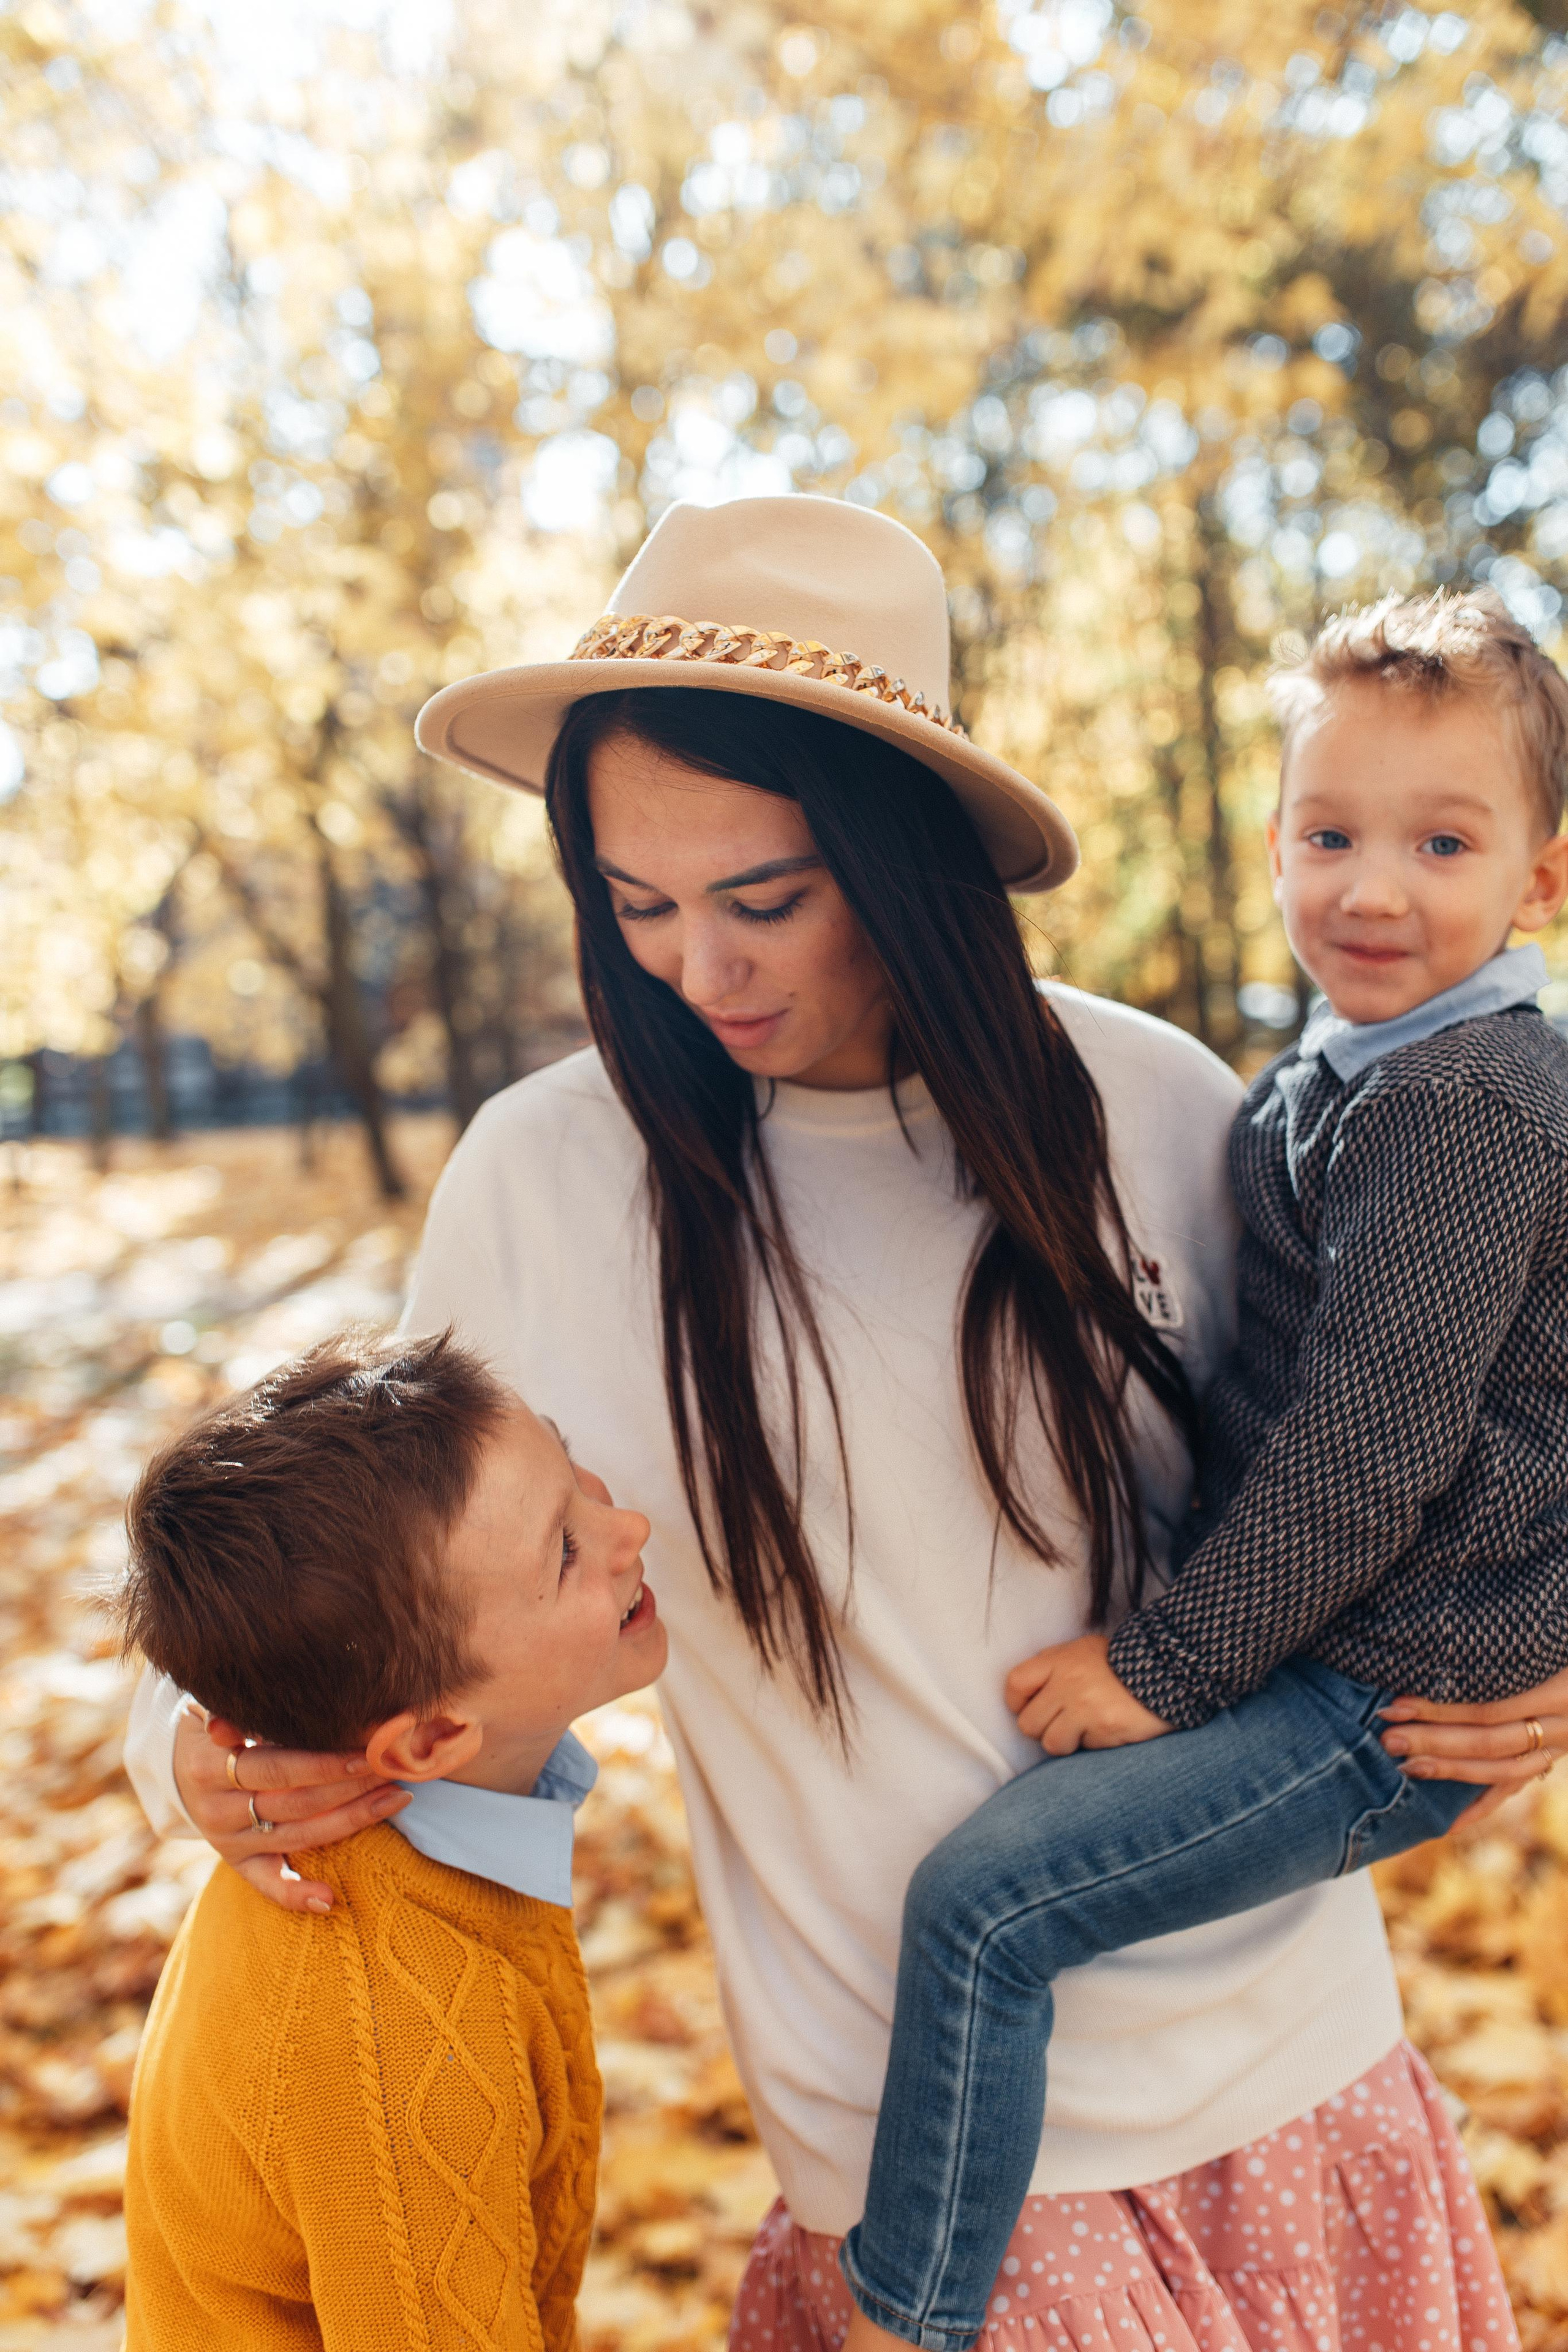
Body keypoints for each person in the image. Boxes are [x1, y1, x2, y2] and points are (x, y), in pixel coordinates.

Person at [124, 498, 1550, 2352]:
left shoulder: (1162, 1103)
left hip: (1299, 2073)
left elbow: (1455, 1399)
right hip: (927, 2180)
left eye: (764, 901)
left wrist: (1543, 1631)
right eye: (638, 907)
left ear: (906, 862)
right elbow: (318, 1576)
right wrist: (199, 1755)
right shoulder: (548, 1184)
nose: (694, 972)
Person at [837, 586, 1568, 2352]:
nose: (1370, 888)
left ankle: (904, 2315)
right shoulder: (1354, 1068)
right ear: (1273, 844)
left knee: (990, 1906)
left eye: (1441, 842)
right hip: (1336, 1641)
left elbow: (1370, 1455)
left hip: (1374, 1689)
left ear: (1543, 880)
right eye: (1331, 834)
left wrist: (1163, 1668)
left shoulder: (1466, 1102)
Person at [116, 1329, 665, 2349]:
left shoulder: (398, 1857)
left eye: (569, 1462)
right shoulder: (397, 2032)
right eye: (567, 1550)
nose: (627, 1522)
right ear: (431, 1739)